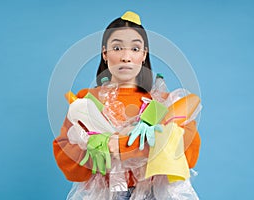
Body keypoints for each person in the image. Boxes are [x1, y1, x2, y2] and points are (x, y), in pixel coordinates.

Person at [53, 11, 201, 200]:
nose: (126, 57)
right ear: (105, 53)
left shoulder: (162, 103)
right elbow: (67, 160)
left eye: (135, 49)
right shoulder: (87, 102)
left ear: (143, 55)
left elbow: (186, 155)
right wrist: (97, 148)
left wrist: (121, 146)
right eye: (117, 48)